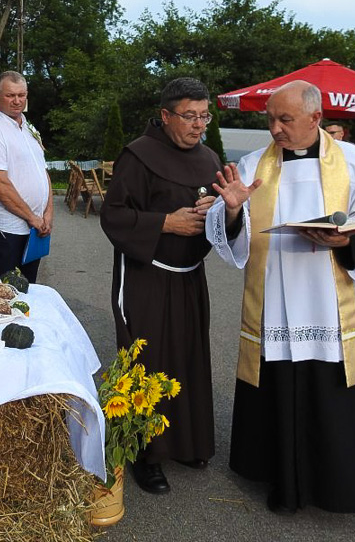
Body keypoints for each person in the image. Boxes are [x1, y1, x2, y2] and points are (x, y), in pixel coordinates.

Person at [204, 80, 355, 514]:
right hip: (277, 299)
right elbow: (233, 230)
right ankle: (284, 485)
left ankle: (337, 488)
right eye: (270, 119)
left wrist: (345, 242)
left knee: (331, 398)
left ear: (315, 119)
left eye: (285, 119)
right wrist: (232, 209)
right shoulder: (254, 164)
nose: (275, 129)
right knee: (281, 391)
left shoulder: (353, 162)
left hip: (331, 300)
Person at [100, 77, 220, 495]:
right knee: (148, 362)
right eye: (189, 116)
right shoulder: (138, 155)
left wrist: (221, 209)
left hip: (190, 276)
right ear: (166, 115)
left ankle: (188, 442)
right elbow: (113, 216)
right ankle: (145, 454)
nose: (199, 125)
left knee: (187, 356)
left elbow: (223, 221)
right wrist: (166, 222)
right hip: (147, 273)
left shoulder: (209, 158)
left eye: (204, 116)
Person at [0, 71, 53, 282]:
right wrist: (32, 217)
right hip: (8, 230)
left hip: (35, 227)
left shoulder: (28, 128)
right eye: (10, 95)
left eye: (21, 95)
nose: (17, 101)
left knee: (30, 290)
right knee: (5, 293)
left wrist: (48, 213)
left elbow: (42, 172)